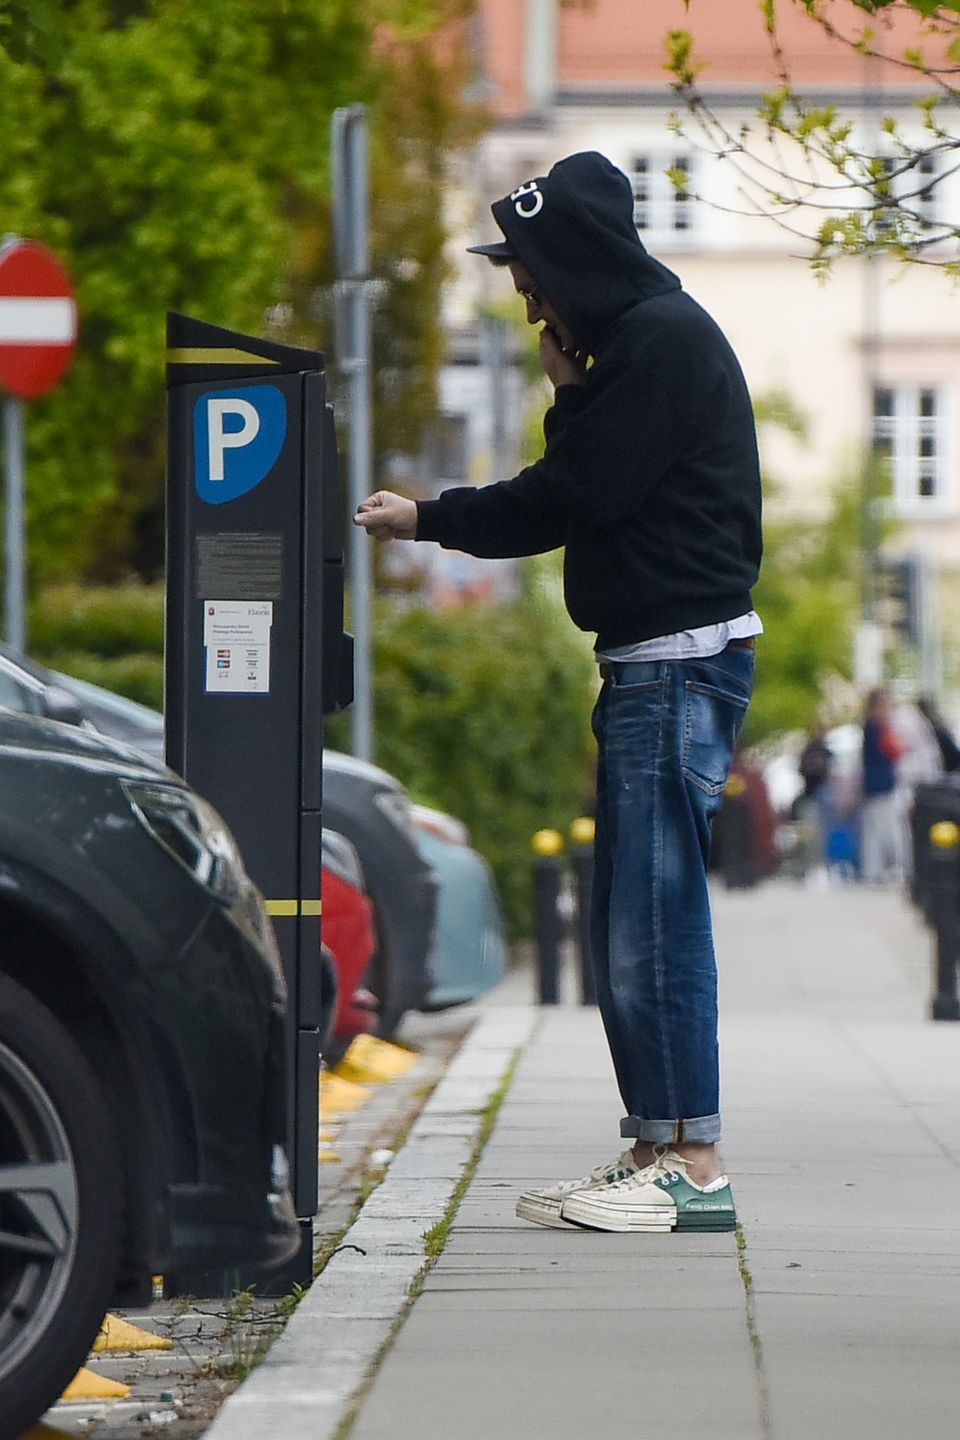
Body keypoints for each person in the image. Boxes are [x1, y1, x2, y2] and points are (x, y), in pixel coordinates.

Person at [354, 151, 763, 1235]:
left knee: (652, 925)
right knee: (630, 919)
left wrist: (433, 512)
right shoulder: (642, 342)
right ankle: (658, 1150)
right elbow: (593, 490)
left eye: (529, 271)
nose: (523, 291)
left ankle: (692, 1167)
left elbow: (574, 496)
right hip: (656, 660)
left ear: (573, 263)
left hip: (675, 664)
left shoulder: (657, 347)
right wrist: (574, 393)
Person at [859, 686, 908, 884]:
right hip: (882, 787)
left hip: (874, 786)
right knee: (887, 832)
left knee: (873, 831)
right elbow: (896, 750)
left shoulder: (869, 728)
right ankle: (886, 869)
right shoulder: (878, 729)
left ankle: (872, 870)